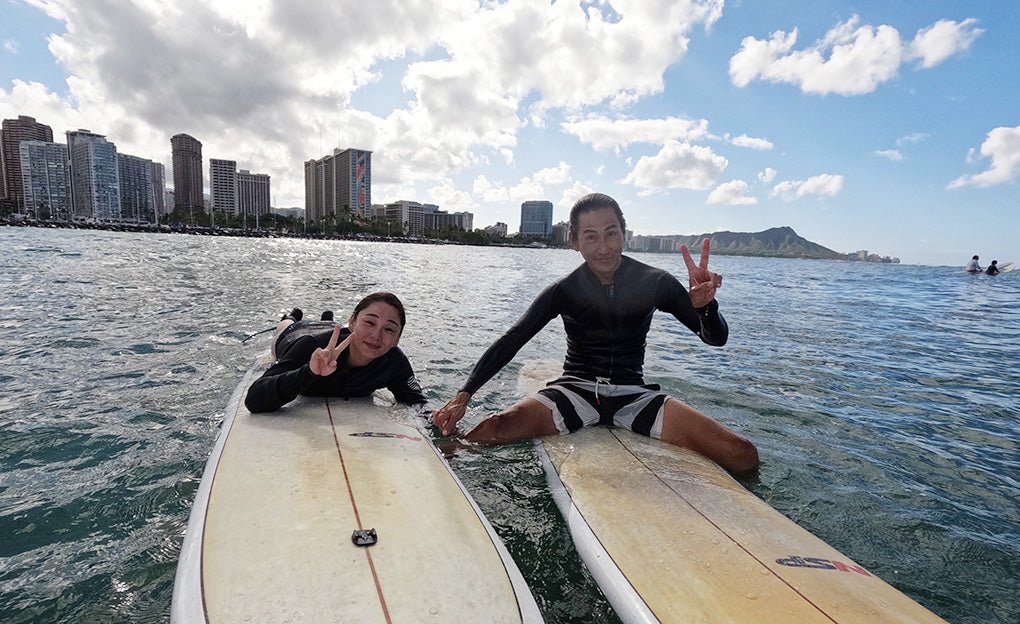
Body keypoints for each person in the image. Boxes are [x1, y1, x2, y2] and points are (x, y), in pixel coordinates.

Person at [432, 193, 759, 474]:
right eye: (590, 236)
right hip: (575, 390)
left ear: (624, 234)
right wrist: (465, 394)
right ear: (574, 241)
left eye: (610, 233)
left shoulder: (655, 282)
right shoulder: (564, 290)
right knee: (490, 430)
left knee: (741, 454)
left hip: (634, 394)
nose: (603, 247)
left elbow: (715, 338)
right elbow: (514, 339)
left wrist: (705, 308)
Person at [245, 292, 427, 413]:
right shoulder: (311, 347)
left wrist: (438, 419)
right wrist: (309, 371)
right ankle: (291, 317)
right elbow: (253, 400)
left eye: (389, 330)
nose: (376, 336)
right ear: (353, 322)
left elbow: (417, 402)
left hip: (334, 331)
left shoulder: (394, 361)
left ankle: (328, 320)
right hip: (296, 334)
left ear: (397, 338)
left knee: (333, 328)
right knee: (284, 329)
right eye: (370, 323)